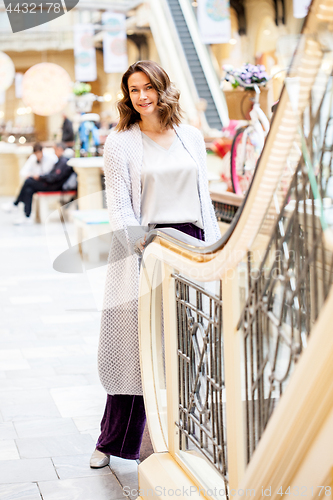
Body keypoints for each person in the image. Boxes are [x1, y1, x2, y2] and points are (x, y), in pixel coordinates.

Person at [90, 60, 221, 468]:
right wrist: (141, 250)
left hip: (191, 245)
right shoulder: (121, 142)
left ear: (163, 89)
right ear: (127, 96)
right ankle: (111, 442)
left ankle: (173, 440)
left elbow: (204, 199)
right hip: (143, 248)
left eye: (149, 87)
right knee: (135, 348)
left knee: (184, 344)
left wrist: (214, 250)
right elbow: (118, 205)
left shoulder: (192, 137)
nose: (142, 96)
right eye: (134, 90)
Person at [9, 142, 74, 225]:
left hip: (54, 186)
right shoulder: (59, 160)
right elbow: (51, 175)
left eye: (55, 150)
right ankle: (27, 216)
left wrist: (40, 177)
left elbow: (54, 178)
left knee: (28, 182)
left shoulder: (63, 162)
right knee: (29, 189)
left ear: (60, 149)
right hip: (50, 183)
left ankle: (16, 204)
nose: (54, 152)